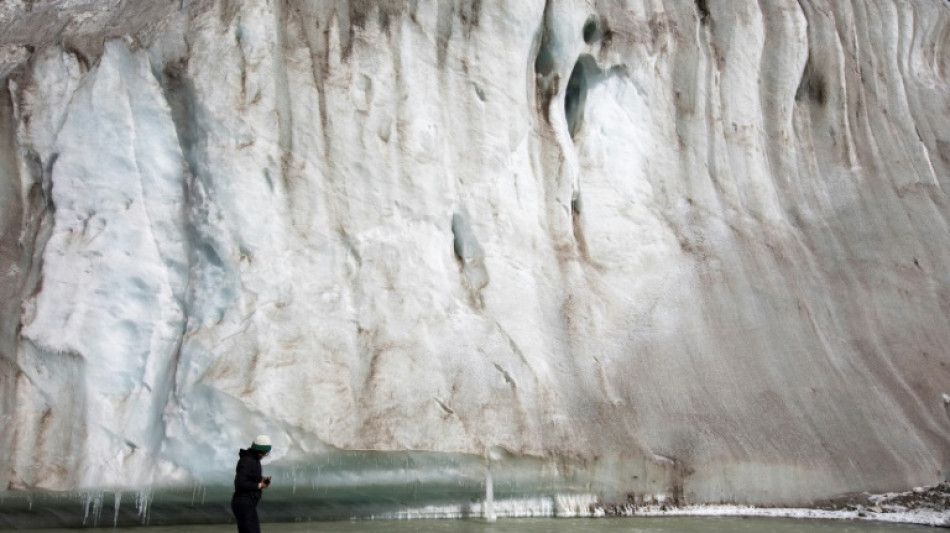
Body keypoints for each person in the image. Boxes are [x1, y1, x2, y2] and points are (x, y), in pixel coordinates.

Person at [231, 435, 273, 533]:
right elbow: (239, 483)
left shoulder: (253, 459)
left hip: (247, 504)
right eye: (264, 453)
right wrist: (259, 485)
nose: (265, 455)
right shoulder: (247, 461)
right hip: (244, 504)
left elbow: (249, 477)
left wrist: (261, 479)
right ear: (259, 451)